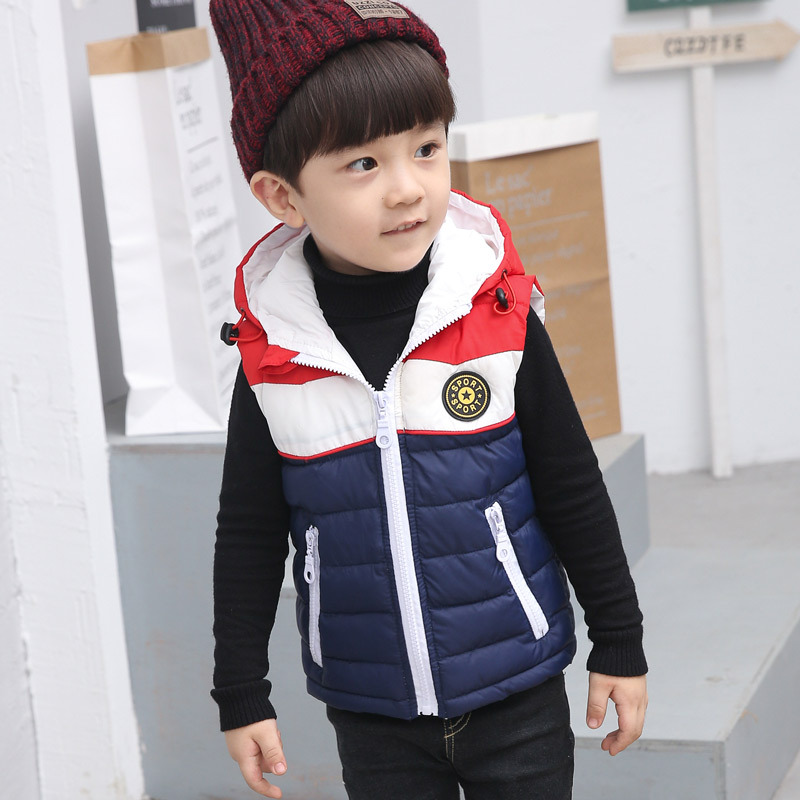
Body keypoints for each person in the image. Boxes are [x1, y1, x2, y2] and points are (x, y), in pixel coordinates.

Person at [209, 1, 648, 798]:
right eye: (363, 164)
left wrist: (618, 638)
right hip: (372, 712)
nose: (407, 188)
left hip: (517, 688)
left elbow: (571, 482)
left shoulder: (496, 315)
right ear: (282, 196)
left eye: (426, 148)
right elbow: (248, 532)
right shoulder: (273, 357)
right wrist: (241, 691)